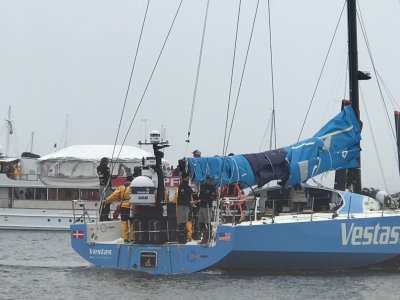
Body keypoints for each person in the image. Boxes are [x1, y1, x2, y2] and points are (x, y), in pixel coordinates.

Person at [104, 175, 134, 242]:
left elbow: (114, 195)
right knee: (132, 223)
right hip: (132, 207)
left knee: (124, 222)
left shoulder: (121, 187)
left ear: (126, 180)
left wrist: (107, 200)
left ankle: (125, 238)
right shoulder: (133, 188)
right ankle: (132, 238)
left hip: (123, 206)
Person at [176, 173, 194, 243]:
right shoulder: (182, 186)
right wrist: (189, 201)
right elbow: (183, 197)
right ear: (184, 178)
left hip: (186, 206)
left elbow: (190, 194)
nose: (188, 178)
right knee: (182, 223)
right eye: (187, 177)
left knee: (185, 222)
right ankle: (181, 239)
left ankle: (184, 237)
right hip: (183, 206)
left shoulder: (187, 186)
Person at [198, 176, 216, 244]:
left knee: (208, 223)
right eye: (209, 180)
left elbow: (212, 197)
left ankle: (209, 237)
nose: (210, 181)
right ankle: (204, 236)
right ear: (207, 180)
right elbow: (200, 195)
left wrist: (205, 199)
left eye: (211, 180)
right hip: (201, 206)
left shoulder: (212, 188)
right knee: (200, 222)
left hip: (207, 206)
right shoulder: (203, 185)